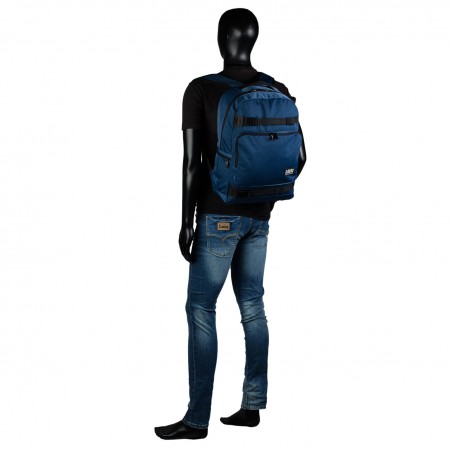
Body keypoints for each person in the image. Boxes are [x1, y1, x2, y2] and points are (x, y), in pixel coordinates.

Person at [155, 8, 305, 440]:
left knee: (201, 309)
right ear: (252, 40)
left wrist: (186, 221)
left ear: (223, 40)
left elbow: (191, 163)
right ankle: (251, 406)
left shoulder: (201, 89)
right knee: (253, 306)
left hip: (217, 216)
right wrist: (264, 195)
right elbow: (300, 157)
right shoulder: (277, 89)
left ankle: (196, 420)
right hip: (261, 218)